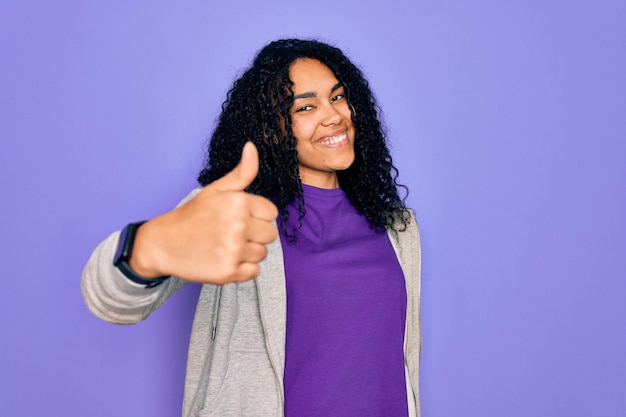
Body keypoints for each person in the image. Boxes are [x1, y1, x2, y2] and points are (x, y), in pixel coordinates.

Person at [82, 38, 421, 417]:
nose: (334, 116)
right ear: (273, 130)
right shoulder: (236, 214)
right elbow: (107, 298)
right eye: (306, 106)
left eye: (338, 97)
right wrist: (149, 245)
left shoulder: (398, 228)